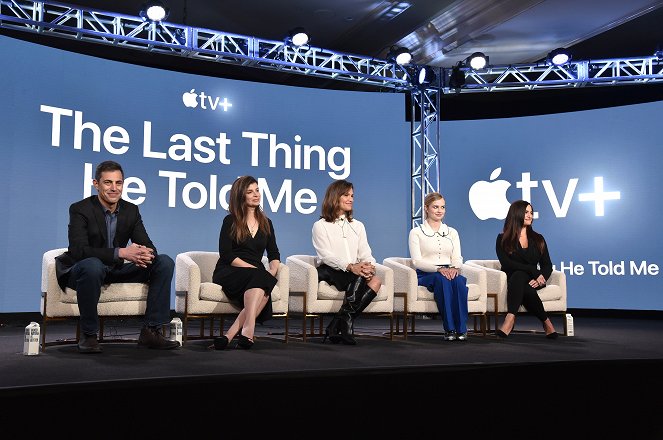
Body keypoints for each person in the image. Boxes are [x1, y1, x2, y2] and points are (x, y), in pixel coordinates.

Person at [55, 160, 180, 353]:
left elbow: (149, 246)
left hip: (114, 269)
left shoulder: (131, 210)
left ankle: (151, 331)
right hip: (84, 270)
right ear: (96, 184)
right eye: (108, 183)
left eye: (118, 183)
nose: (114, 188)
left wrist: (144, 254)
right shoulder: (80, 209)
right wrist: (121, 252)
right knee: (92, 266)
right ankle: (89, 335)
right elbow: (78, 251)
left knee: (163, 262)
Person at [211, 176, 281, 350]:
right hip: (230, 270)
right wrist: (252, 268)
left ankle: (229, 336)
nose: (256, 195)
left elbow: (274, 252)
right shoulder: (230, 220)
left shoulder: (267, 223)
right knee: (262, 281)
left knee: (263, 279)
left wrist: (273, 269)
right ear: (240, 196)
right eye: (250, 192)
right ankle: (247, 330)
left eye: (257, 190)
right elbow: (226, 254)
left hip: (254, 274)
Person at [312, 179, 382, 345]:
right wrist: (351, 266)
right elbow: (326, 255)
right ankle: (345, 327)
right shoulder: (320, 225)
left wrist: (369, 266)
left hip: (354, 271)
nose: (351, 199)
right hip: (331, 270)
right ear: (335, 197)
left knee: (376, 280)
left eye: (352, 195)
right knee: (357, 277)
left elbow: (365, 251)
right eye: (346, 195)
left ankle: (337, 324)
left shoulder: (358, 225)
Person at [409, 192, 469, 341]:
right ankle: (450, 329)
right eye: (435, 207)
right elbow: (416, 261)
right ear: (426, 208)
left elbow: (457, 257)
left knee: (459, 281)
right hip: (426, 273)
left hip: (449, 271)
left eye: (442, 207)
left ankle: (462, 329)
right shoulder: (416, 232)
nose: (439, 210)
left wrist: (455, 268)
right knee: (442, 280)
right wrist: (438, 269)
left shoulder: (452, 232)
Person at [495, 200, 558, 339]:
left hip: (532, 280)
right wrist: (533, 270)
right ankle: (546, 322)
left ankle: (509, 319)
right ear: (516, 214)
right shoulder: (502, 239)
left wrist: (542, 278)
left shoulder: (538, 239)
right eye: (526, 212)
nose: (530, 215)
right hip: (512, 278)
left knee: (523, 279)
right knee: (519, 276)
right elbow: (507, 263)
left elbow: (547, 265)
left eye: (531, 212)